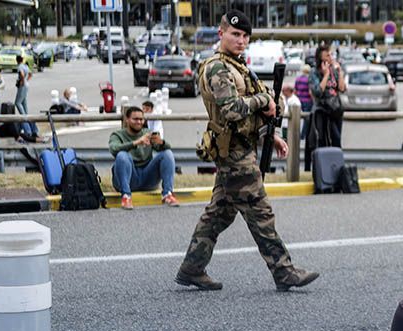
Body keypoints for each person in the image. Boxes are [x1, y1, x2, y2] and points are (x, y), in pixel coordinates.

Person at [176, 10, 319, 292]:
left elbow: (255, 110)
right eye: (235, 34)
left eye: (245, 37)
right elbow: (231, 109)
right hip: (234, 154)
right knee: (260, 212)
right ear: (221, 34)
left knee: (220, 213)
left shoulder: (238, 66)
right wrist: (264, 99)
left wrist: (271, 135)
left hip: (241, 147)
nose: (241, 41)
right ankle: (284, 271)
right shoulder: (217, 68)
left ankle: (192, 268)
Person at [108, 106, 178, 209]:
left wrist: (161, 142)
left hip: (147, 178)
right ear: (127, 120)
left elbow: (166, 149)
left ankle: (167, 194)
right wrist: (136, 143)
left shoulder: (147, 133)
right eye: (135, 119)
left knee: (167, 154)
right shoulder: (117, 135)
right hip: (128, 178)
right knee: (122, 156)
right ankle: (126, 196)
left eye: (141, 119)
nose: (139, 122)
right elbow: (114, 149)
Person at [304, 44, 346, 171]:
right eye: (327, 55)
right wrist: (326, 74)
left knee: (337, 139)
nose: (330, 57)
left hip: (336, 110)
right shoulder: (314, 72)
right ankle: (323, 169)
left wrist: (339, 72)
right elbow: (317, 92)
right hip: (322, 111)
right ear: (320, 58)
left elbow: (342, 88)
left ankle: (337, 168)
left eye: (330, 54)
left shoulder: (335, 70)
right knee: (322, 140)